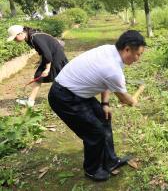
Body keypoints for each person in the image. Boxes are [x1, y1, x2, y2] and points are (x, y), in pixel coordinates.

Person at [48, 30, 146, 181]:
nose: (138, 59)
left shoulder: (110, 51)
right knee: (95, 132)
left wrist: (105, 103)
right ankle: (92, 170)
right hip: (64, 97)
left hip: (77, 92)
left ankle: (110, 161)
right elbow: (125, 99)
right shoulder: (113, 69)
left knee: (104, 116)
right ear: (127, 49)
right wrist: (133, 101)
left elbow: (104, 81)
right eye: (138, 54)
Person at [6, 25, 68, 107]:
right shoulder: (30, 37)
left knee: (61, 78)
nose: (14, 40)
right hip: (52, 56)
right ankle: (30, 101)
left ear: (20, 33)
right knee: (39, 76)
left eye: (14, 38)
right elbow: (42, 52)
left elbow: (47, 54)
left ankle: (70, 97)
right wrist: (41, 62)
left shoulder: (35, 37)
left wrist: (47, 68)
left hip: (56, 57)